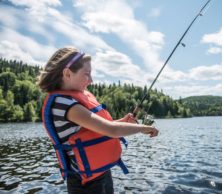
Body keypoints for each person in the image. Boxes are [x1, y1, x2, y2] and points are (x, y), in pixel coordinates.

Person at [38, 47, 159, 194]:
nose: (91, 80)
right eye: (86, 74)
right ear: (67, 73)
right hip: (85, 184)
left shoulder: (70, 100)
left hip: (99, 175)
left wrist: (123, 121)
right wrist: (142, 128)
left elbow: (99, 129)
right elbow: (111, 130)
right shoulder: (64, 105)